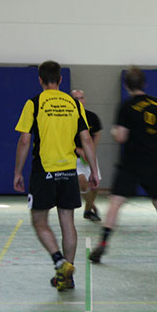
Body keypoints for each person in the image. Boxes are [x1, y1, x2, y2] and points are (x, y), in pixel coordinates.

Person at [13, 60, 99, 291]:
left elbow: (24, 140)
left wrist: (18, 172)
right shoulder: (74, 103)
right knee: (67, 222)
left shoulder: (34, 103)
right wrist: (94, 170)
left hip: (44, 170)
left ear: (40, 80)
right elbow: (86, 139)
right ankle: (67, 277)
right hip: (69, 170)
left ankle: (60, 263)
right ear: (60, 79)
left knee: (39, 222)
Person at [89, 66, 157, 263]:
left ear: (126, 85)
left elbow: (121, 137)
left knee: (115, 203)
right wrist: (156, 132)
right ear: (144, 83)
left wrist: (114, 132)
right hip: (155, 161)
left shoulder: (126, 106)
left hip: (132, 162)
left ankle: (103, 242)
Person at [71, 89, 103, 222]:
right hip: (73, 157)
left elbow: (97, 134)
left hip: (89, 157)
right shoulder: (67, 118)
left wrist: (90, 151)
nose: (79, 101)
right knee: (83, 182)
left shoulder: (92, 117)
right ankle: (91, 206)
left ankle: (88, 210)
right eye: (76, 98)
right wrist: (79, 151)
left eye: (81, 98)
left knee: (94, 186)